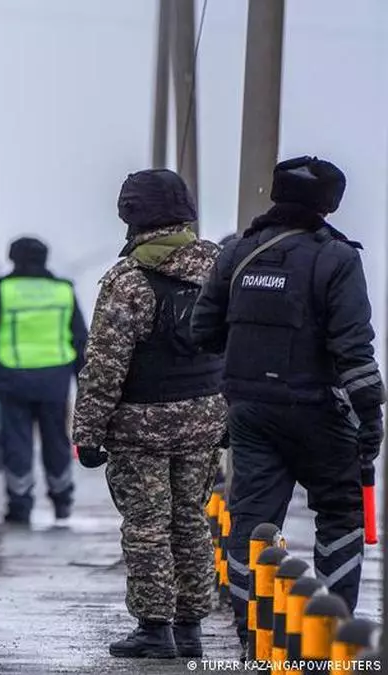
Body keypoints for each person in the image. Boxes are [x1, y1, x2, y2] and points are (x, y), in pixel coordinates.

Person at [190, 156, 384, 652]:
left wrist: (250, 366)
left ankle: (253, 632)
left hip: (251, 412)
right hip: (319, 412)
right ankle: (331, 632)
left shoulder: (238, 252)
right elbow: (353, 349)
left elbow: (202, 331)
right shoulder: (337, 258)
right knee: (340, 513)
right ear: (330, 203)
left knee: (252, 522)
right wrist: (371, 418)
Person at [73, 168, 226, 659]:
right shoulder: (219, 268)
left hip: (141, 426)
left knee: (146, 526)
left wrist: (89, 432)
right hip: (204, 418)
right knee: (192, 520)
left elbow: (105, 366)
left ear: (131, 215)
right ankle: (192, 628)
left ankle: (155, 628)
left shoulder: (128, 279)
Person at [0, 236, 88, 526]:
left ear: (13, 258)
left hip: (14, 378)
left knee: (17, 442)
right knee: (56, 440)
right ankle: (62, 501)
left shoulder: (4, 291)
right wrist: (84, 380)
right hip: (55, 380)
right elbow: (81, 339)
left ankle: (20, 505)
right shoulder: (63, 291)